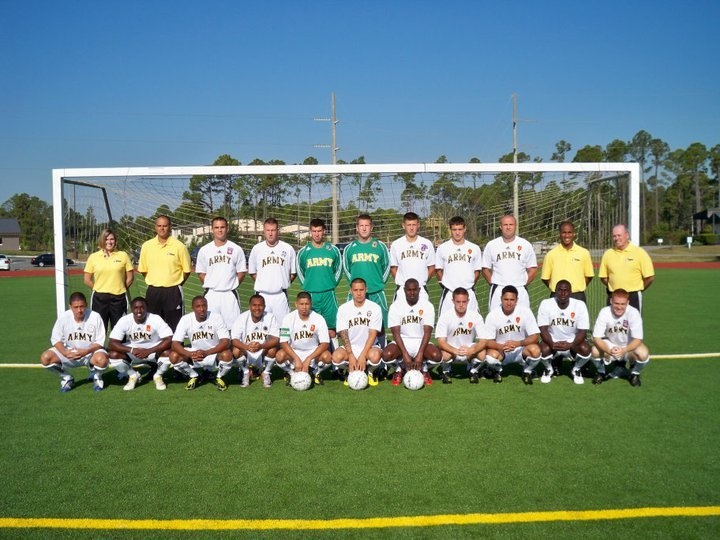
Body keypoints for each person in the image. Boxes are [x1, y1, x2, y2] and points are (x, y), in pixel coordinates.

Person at [40, 291, 108, 392]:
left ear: (86, 305)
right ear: (70, 307)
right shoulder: (63, 317)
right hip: (69, 353)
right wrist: (65, 352)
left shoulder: (95, 317)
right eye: (76, 307)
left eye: (82, 306)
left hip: (89, 353)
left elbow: (100, 341)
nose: (79, 310)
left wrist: (86, 351)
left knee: (102, 359)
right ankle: (66, 378)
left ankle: (97, 376)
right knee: (45, 358)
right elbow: (55, 339)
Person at [381, 278, 441, 386]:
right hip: (403, 341)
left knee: (437, 356)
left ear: (419, 290)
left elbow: (427, 333)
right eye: (409, 290)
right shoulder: (396, 306)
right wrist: (405, 354)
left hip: (420, 340)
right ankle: (399, 369)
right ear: (404, 290)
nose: (412, 293)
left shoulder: (427, 306)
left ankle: (424, 368)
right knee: (386, 355)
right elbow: (395, 333)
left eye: (415, 290)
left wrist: (420, 354)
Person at [137, 215, 192, 331]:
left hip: (173, 292)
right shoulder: (147, 246)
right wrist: (156, 281)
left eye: (165, 226)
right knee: (152, 326)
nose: (162, 228)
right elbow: (143, 270)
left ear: (170, 227)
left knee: (175, 326)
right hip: (153, 291)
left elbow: (187, 271)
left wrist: (175, 283)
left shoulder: (179, 246)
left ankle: (175, 349)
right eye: (159, 226)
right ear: (155, 227)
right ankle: (154, 349)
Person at [342, 214, 391, 343]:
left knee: (380, 325)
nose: (364, 229)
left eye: (367, 225)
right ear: (357, 228)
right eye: (361, 226)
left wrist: (379, 283)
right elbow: (346, 269)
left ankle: (382, 355)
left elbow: (386, 267)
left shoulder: (380, 246)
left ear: (371, 227)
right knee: (352, 323)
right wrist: (354, 287)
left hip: (376, 292)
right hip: (356, 293)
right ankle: (353, 352)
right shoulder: (349, 248)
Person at [107, 296, 173, 391]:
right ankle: (133, 375)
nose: (139, 311)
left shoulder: (155, 318)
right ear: (131, 308)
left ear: (147, 308)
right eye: (136, 308)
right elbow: (112, 343)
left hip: (153, 350)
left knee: (169, 353)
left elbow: (169, 339)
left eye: (142, 307)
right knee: (113, 355)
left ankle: (158, 376)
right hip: (134, 351)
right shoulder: (125, 320)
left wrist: (149, 351)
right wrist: (132, 350)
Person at [481, 285, 542, 385]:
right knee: (490, 358)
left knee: (535, 351)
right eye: (506, 299)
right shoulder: (493, 315)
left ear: (517, 300)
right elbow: (487, 341)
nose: (509, 303)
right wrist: (501, 346)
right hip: (501, 350)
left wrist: (518, 343)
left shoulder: (525, 312)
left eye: (512, 299)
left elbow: (535, 336)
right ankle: (497, 370)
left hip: (520, 349)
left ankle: (527, 371)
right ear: (501, 299)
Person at [170, 295, 232, 391]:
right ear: (193, 308)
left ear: (207, 306)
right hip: (194, 354)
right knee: (173, 356)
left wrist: (207, 352)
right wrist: (190, 354)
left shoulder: (216, 317)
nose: (202, 309)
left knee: (227, 354)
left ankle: (219, 377)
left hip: (213, 353)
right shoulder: (186, 319)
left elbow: (226, 342)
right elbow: (175, 343)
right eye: (198, 306)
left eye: (204, 306)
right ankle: (194, 375)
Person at [295, 218, 342, 345]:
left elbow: (338, 268)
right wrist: (308, 285)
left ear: (324, 231)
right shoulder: (303, 252)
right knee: (312, 328)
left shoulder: (333, 250)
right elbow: (300, 271)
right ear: (310, 232)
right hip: (311, 294)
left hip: (328, 294)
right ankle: (314, 359)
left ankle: (335, 362)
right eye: (314, 231)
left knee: (331, 329)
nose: (317, 234)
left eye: (319, 231)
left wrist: (331, 284)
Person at [590, 288, 650, 387]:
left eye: (623, 304)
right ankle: (601, 372)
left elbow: (638, 339)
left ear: (628, 303)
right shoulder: (604, 312)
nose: (619, 307)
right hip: (610, 344)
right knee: (594, 350)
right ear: (611, 301)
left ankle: (634, 374)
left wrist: (624, 350)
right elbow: (596, 338)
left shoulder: (633, 313)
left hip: (628, 346)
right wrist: (609, 350)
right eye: (616, 303)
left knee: (643, 353)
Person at [536, 280, 592, 384]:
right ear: (555, 291)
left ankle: (576, 369)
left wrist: (570, 344)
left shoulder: (579, 305)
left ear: (570, 292)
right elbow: (543, 329)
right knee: (541, 349)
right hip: (553, 340)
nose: (563, 293)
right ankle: (549, 369)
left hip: (572, 341)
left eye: (566, 290)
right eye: (560, 290)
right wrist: (552, 343)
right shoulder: (546, 304)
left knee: (586, 349)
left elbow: (582, 331)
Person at [195, 216, 247, 328]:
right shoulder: (204, 250)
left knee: (234, 329)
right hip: (212, 294)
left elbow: (242, 272)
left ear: (227, 228)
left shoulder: (236, 249)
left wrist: (232, 284)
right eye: (217, 227)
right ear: (212, 229)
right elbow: (200, 272)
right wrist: (212, 283)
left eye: (222, 227)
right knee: (211, 328)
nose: (220, 230)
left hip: (229, 294)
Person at [332, 278, 383, 386]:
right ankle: (350, 370)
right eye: (355, 290)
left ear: (366, 290)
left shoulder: (375, 308)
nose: (359, 293)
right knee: (336, 358)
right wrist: (351, 355)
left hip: (370, 347)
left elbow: (373, 334)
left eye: (361, 290)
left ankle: (370, 372)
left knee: (375, 356)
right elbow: (343, 333)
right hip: (351, 346)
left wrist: (363, 355)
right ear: (351, 291)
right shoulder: (343, 309)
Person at [481, 214, 537, 312]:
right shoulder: (492, 245)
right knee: (496, 321)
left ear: (515, 226)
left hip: (519, 288)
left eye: (511, 224)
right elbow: (485, 268)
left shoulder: (525, 244)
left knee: (522, 321)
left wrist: (523, 283)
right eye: (505, 224)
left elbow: (533, 268)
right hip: (498, 289)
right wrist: (494, 283)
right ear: (500, 227)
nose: (508, 227)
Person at [275, 292, 332, 385]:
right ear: (296, 304)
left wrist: (309, 358)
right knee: (279, 356)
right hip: (295, 351)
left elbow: (325, 343)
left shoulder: (319, 318)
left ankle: (314, 373)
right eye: (301, 304)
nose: (304, 307)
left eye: (307, 304)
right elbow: (283, 342)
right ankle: (291, 373)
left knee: (328, 357)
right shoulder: (288, 318)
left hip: (313, 352)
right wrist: (296, 358)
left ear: (311, 304)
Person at [83, 228, 134, 331]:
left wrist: (120, 288)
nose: (109, 242)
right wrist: (99, 288)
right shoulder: (94, 257)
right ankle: (99, 347)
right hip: (99, 299)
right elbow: (87, 280)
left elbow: (130, 277)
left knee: (120, 328)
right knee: (99, 328)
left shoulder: (123, 255)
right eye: (106, 239)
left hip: (119, 298)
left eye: (112, 239)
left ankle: (118, 347)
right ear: (102, 240)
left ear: (115, 240)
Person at [435, 287, 488, 384]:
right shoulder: (445, 316)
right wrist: (454, 350)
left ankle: (472, 370)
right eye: (458, 301)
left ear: (468, 301)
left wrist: (471, 350)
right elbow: (441, 341)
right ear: (453, 301)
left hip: (469, 349)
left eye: (464, 302)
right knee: (444, 355)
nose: (461, 305)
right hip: (452, 350)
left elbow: (483, 341)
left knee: (483, 354)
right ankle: (446, 371)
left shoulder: (476, 316)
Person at [247, 217, 296, 322]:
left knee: (284, 327)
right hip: (262, 295)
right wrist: (265, 283)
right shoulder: (256, 249)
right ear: (264, 231)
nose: (270, 233)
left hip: (281, 295)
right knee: (262, 326)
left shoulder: (288, 249)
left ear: (277, 231)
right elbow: (252, 273)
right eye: (268, 230)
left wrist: (281, 283)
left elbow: (293, 273)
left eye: (273, 230)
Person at [598, 224, 655, 311]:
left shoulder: (640, 253)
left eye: (619, 235)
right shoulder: (608, 254)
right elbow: (603, 277)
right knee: (612, 323)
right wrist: (615, 287)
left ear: (627, 235)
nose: (616, 238)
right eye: (614, 236)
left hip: (632, 297)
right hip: (614, 296)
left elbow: (650, 277)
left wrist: (638, 289)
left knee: (633, 324)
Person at [434, 216, 483, 316]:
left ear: (464, 229)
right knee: (446, 327)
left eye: (460, 229)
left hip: (468, 292)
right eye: (454, 229)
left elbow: (477, 271)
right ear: (450, 230)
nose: (457, 232)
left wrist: (469, 285)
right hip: (449, 293)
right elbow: (438, 270)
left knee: (472, 327)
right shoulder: (442, 248)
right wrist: (446, 286)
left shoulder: (474, 248)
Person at [231, 294, 280, 388]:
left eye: (260, 305)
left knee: (273, 349)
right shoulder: (242, 318)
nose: (257, 308)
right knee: (236, 350)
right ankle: (245, 372)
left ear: (264, 307)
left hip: (263, 350)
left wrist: (261, 346)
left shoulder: (270, 317)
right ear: (249, 306)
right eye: (254, 305)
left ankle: (266, 372)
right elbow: (234, 340)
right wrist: (246, 347)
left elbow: (276, 339)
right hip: (246, 350)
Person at [540, 221, 594, 302]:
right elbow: (545, 278)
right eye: (564, 232)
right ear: (559, 234)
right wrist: (558, 289)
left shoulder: (584, 253)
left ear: (574, 234)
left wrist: (577, 287)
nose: (567, 235)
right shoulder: (551, 254)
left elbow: (589, 276)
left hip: (577, 296)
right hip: (556, 296)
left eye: (569, 232)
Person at [389, 212, 435, 304]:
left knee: (423, 317)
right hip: (402, 290)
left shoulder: (427, 243)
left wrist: (423, 280)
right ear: (403, 225)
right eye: (408, 225)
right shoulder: (396, 244)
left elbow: (431, 267)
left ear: (418, 225)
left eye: (414, 224)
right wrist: (401, 282)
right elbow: (393, 268)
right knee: (400, 318)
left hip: (421, 289)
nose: (411, 227)